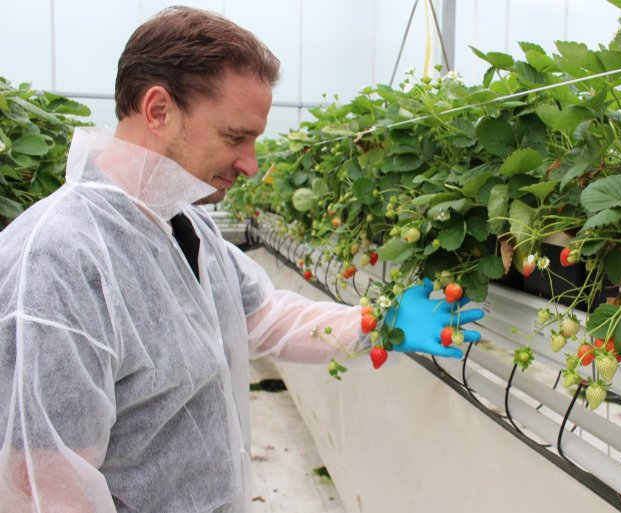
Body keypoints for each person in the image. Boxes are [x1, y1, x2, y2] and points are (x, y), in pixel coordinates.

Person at [0, 7, 483, 513]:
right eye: (236, 137)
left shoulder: (184, 221)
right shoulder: (57, 263)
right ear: (158, 110)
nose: (251, 164)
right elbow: (43, 487)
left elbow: (259, 316)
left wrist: (376, 323)